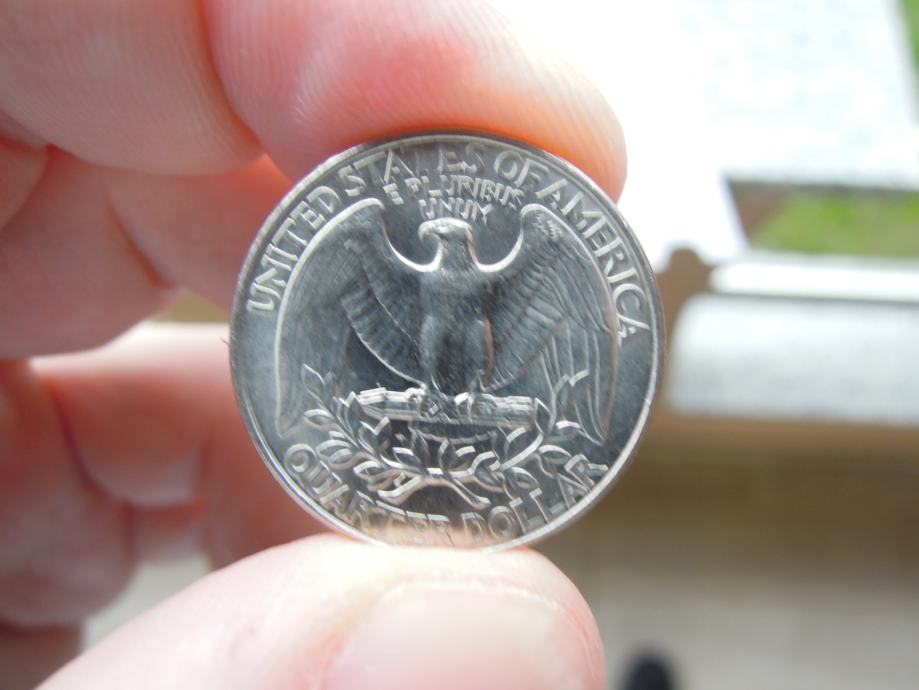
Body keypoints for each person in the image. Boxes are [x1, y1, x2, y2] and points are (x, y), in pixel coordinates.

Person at [0, 1, 627, 688]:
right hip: (425, 378)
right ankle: (434, 396)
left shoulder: (532, 258)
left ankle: (461, 397)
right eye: (439, 232)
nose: (441, 234)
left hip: (478, 379)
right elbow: (334, 305)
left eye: (451, 234)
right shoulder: (371, 249)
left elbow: (585, 324)